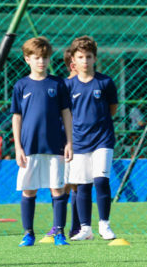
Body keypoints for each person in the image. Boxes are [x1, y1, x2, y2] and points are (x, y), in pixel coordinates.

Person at [11, 37, 73, 246]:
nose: (41, 62)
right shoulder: (21, 85)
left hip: (55, 146)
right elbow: (17, 117)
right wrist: (18, 147)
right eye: (37, 58)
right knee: (29, 190)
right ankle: (28, 233)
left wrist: (69, 143)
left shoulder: (58, 84)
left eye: (45, 58)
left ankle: (59, 233)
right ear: (27, 59)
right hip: (29, 147)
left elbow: (66, 114)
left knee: (57, 188)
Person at [66, 36, 118, 241]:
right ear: (74, 60)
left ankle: (104, 225)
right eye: (80, 57)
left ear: (95, 58)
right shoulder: (68, 85)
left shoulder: (105, 82)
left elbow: (112, 109)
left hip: (102, 140)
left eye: (88, 56)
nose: (85, 61)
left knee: (101, 181)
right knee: (83, 185)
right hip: (78, 142)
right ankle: (85, 229)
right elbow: (66, 114)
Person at [42, 48, 81, 242]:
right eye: (79, 59)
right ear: (72, 65)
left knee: (76, 184)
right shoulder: (62, 86)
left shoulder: (90, 83)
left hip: (83, 140)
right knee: (61, 184)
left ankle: (76, 226)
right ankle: (59, 227)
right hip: (65, 141)